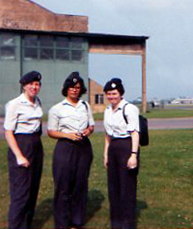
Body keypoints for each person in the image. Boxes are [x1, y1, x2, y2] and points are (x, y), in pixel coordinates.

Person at [47, 71, 94, 229]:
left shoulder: (85, 106)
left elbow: (91, 126)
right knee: (63, 185)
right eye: (72, 87)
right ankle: (62, 223)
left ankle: (77, 221)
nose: (74, 90)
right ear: (66, 89)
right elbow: (51, 132)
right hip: (65, 148)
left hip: (83, 147)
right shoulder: (57, 109)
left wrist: (88, 131)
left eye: (78, 87)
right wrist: (67, 135)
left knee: (80, 185)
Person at [4, 71, 43, 229]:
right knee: (21, 192)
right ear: (24, 86)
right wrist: (19, 155)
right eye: (31, 84)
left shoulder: (37, 101)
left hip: (35, 144)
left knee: (33, 190)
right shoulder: (14, 104)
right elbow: (8, 132)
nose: (34, 87)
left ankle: (26, 225)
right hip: (20, 144)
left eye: (37, 84)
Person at [103, 78, 140, 229]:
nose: (112, 96)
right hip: (113, 148)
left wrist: (133, 155)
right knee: (114, 188)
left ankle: (127, 224)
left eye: (114, 93)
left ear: (121, 94)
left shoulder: (129, 108)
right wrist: (106, 154)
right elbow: (107, 135)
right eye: (109, 94)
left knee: (127, 188)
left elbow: (135, 133)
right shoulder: (107, 110)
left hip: (127, 146)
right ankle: (116, 223)